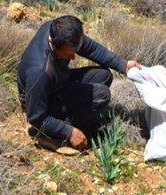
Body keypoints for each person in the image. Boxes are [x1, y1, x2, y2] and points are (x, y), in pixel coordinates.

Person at [17, 15, 141, 151]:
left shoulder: (59, 30)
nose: (73, 57)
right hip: (43, 101)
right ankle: (51, 135)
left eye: (75, 51)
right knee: (102, 95)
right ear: (53, 44)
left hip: (58, 82)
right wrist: (68, 131)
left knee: (104, 75)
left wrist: (123, 65)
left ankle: (72, 122)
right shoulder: (39, 71)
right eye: (68, 54)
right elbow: (36, 117)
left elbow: (91, 48)